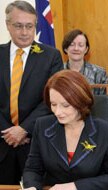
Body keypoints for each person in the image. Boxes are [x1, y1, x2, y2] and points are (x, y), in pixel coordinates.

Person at [22, 70, 108, 190]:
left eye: (65, 105)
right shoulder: (42, 126)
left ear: (81, 102)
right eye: (53, 104)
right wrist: (32, 187)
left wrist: (76, 186)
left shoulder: (105, 131)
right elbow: (33, 169)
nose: (58, 112)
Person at [0, 0, 63, 184]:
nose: (25, 32)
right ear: (7, 25)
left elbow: (53, 98)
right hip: (2, 144)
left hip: (37, 143)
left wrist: (24, 129)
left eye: (30, 26)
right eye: (18, 26)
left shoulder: (51, 56)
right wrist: (9, 133)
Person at [62, 29, 108, 95]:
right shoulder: (57, 71)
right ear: (66, 48)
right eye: (72, 45)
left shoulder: (99, 73)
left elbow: (103, 102)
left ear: (86, 49)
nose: (76, 48)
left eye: (80, 45)